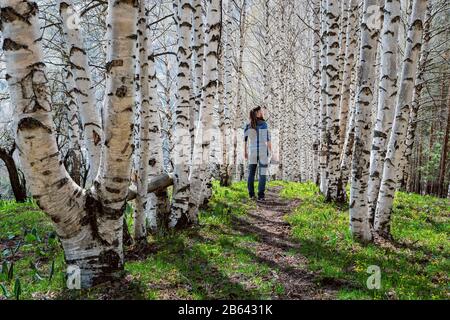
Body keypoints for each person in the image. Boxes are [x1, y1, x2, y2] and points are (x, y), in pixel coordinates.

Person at [244, 106, 273, 201]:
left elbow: (245, 140)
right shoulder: (263, 124)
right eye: (260, 111)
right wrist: (271, 151)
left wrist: (245, 151)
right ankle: (261, 196)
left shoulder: (248, 125)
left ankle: (251, 195)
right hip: (262, 152)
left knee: (251, 174)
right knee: (262, 174)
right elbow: (267, 139)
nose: (262, 112)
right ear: (257, 113)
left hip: (252, 151)